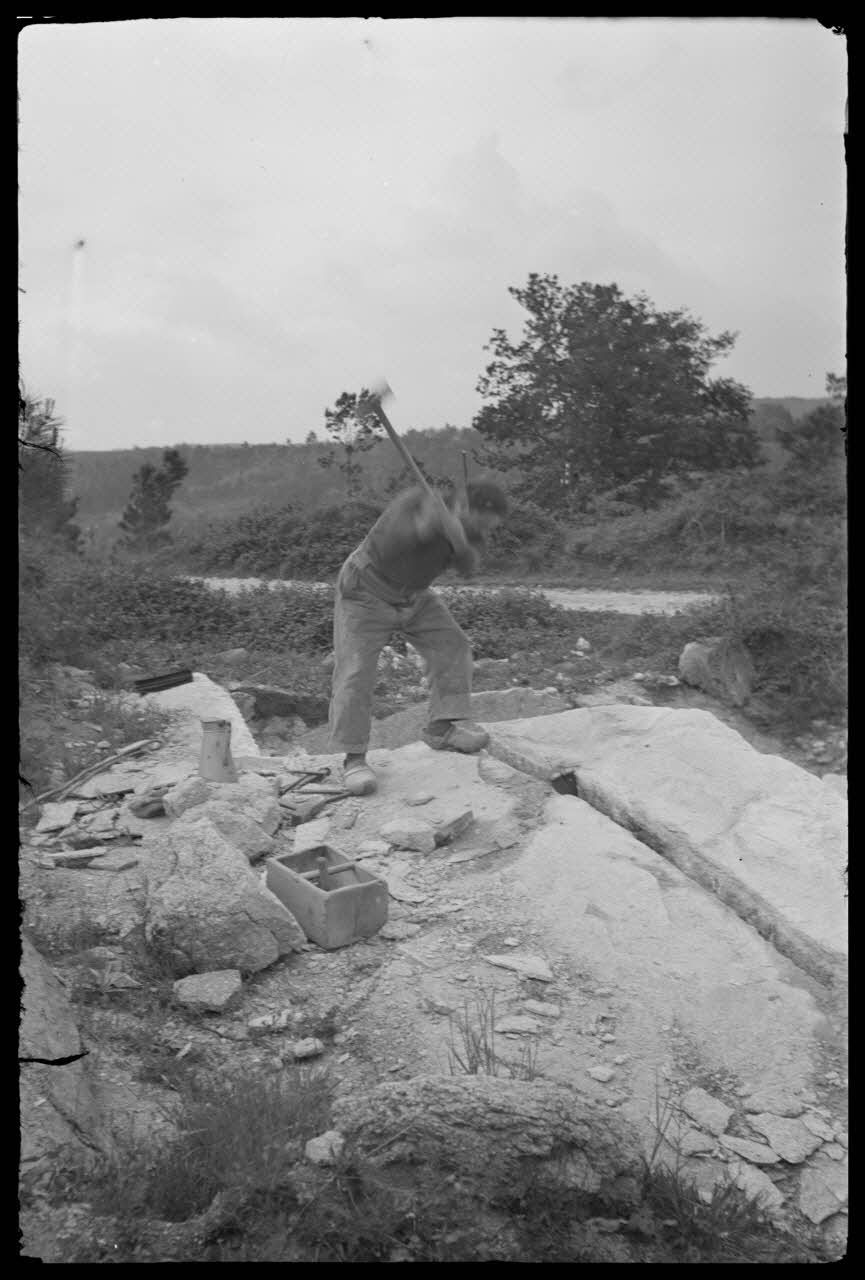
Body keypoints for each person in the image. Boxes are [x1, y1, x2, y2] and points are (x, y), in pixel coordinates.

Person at [328, 478, 508, 795]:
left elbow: (469, 566)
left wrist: (459, 540)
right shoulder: (414, 502)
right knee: (355, 671)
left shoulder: (471, 529)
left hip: (413, 596)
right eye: (484, 524)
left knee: (453, 645)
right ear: (465, 506)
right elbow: (392, 544)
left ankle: (441, 729)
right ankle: (353, 760)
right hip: (365, 591)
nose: (487, 531)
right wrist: (428, 525)